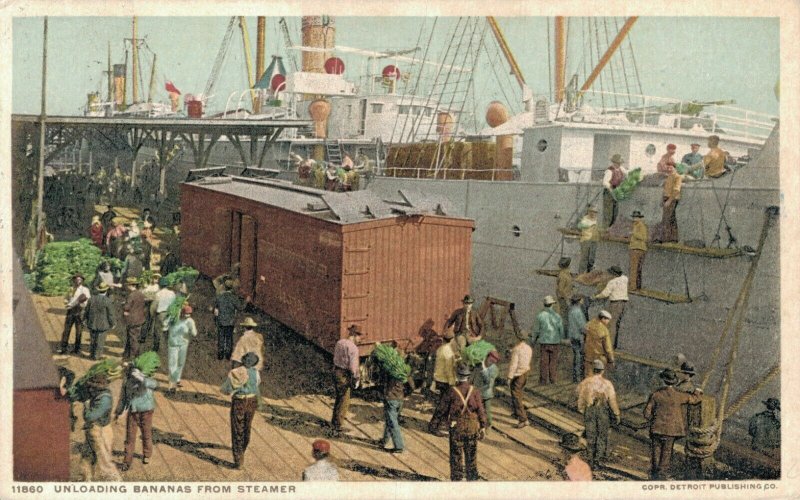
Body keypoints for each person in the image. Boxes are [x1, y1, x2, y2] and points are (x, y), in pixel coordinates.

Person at [429, 363, 488, 481]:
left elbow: (441, 409)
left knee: (456, 454)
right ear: (468, 376)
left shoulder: (451, 391)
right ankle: (472, 477)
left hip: (457, 427)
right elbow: (481, 410)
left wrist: (434, 424)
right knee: (471, 453)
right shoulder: (475, 391)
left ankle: (457, 478)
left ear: (457, 376)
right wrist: (483, 426)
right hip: (472, 426)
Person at [644, 368, 703, 480]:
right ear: (674, 381)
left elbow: (647, 413)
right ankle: (662, 475)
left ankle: (655, 475)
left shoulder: (656, 395)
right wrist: (698, 391)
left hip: (656, 429)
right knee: (667, 452)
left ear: (663, 380)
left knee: (656, 451)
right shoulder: (679, 395)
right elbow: (694, 399)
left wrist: (654, 418)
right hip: (671, 431)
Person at [114, 355, 159, 471]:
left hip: (146, 411)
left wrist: (142, 378)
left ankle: (147, 454)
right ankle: (127, 461)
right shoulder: (126, 382)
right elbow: (123, 398)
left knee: (146, 434)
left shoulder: (145, 379)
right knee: (130, 437)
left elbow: (154, 384)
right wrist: (118, 412)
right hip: (133, 412)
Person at [221, 352, 262, 469]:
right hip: (252, 401)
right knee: (247, 427)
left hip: (239, 402)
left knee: (237, 428)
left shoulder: (235, 372)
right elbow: (257, 384)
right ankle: (242, 450)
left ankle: (238, 459)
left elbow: (227, 389)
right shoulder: (256, 372)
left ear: (243, 360)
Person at [576, 359, 621, 468]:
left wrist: (582, 409)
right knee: (602, 435)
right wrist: (617, 414)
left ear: (593, 370)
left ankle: (590, 459)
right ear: (602, 371)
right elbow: (612, 401)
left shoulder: (586, 382)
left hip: (590, 410)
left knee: (591, 435)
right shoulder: (608, 384)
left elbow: (579, 395)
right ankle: (598, 459)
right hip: (602, 411)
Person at [81, 372, 122, 481]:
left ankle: (118, 484)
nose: (90, 389)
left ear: (99, 387)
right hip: (93, 429)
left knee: (105, 463)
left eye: (93, 387)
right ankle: (87, 481)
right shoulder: (101, 394)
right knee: (87, 458)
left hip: (99, 431)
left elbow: (89, 416)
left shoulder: (104, 400)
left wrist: (86, 405)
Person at [377, 344, 414, 454]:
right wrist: (405, 394)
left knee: (392, 422)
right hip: (400, 399)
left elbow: (382, 380)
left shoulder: (389, 369)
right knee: (391, 420)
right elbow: (412, 386)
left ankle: (399, 446)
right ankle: (384, 440)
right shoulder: (405, 370)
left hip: (391, 398)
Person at [330, 325, 363, 433]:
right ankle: (337, 425)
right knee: (345, 399)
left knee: (339, 396)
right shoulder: (353, 348)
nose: (360, 339)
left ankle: (334, 420)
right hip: (344, 374)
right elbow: (353, 368)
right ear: (354, 335)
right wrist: (356, 379)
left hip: (336, 371)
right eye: (359, 337)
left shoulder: (340, 342)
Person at [593, 266, 628, 350]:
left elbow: (605, 294)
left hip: (615, 303)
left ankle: (610, 345)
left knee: (612, 324)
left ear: (614, 274)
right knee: (616, 324)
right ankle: (613, 343)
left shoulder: (612, 282)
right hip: (623, 303)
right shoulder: (625, 278)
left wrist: (596, 296)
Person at [533, 295, 565, 385]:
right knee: (553, 362)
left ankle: (543, 381)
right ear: (552, 305)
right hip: (555, 342)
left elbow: (536, 330)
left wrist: (533, 340)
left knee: (544, 362)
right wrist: (561, 338)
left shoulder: (540, 316)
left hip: (544, 342)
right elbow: (561, 330)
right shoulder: (557, 316)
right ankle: (553, 380)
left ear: (544, 305)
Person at [167, 304, 198, 393]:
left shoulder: (190, 321)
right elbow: (166, 326)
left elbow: (194, 333)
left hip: (183, 344)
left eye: (189, 314)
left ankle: (177, 379)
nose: (187, 316)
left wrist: (190, 327)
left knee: (180, 363)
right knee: (172, 363)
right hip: (173, 343)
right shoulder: (173, 318)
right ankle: (171, 384)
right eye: (185, 314)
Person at [214, 279, 247, 360]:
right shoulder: (234, 298)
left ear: (224, 287)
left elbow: (216, 309)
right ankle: (228, 355)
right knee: (229, 339)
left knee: (221, 338)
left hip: (221, 321)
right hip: (230, 322)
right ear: (232, 288)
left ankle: (220, 355)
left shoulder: (219, 297)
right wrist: (246, 301)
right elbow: (241, 307)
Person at [59, 273, 90, 354]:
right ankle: (63, 347)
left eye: (79, 279)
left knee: (79, 331)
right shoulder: (70, 289)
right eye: (76, 279)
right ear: (73, 280)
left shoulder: (85, 290)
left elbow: (87, 300)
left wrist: (82, 304)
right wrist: (66, 302)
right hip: (70, 311)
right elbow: (66, 298)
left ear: (82, 281)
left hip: (79, 311)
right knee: (66, 330)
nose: (77, 281)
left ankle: (77, 349)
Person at [508, 329, 533, 428]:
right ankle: (516, 412)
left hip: (518, 375)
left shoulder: (516, 349)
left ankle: (523, 419)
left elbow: (513, 365)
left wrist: (509, 377)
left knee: (515, 395)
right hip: (525, 372)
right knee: (519, 393)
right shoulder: (528, 348)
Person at [85, 282, 115, 360]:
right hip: (103, 324)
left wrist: (85, 320)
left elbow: (86, 311)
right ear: (106, 290)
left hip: (92, 323)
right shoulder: (107, 301)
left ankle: (92, 354)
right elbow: (110, 314)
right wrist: (113, 323)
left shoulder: (91, 299)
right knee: (100, 341)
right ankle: (97, 356)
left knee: (93, 340)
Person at [472, 350, 500, 428]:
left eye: (493, 362)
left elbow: (488, 381)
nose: (491, 363)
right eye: (490, 360)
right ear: (487, 357)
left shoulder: (494, 369)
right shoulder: (480, 364)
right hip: (476, 391)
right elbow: (474, 375)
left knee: (487, 411)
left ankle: (488, 425)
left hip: (485, 393)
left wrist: (484, 370)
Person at [432, 326, 458, 409]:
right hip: (445, 381)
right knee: (445, 404)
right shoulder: (448, 351)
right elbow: (449, 369)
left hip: (438, 379)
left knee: (440, 403)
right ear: (452, 339)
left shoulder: (440, 349)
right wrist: (452, 382)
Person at [583, 310, 615, 378]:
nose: (608, 322)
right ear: (603, 319)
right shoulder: (604, 330)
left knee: (588, 378)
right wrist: (611, 360)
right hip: (600, 358)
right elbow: (608, 348)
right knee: (599, 379)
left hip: (588, 357)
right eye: (608, 320)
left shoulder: (589, 324)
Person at [122, 277, 147, 360]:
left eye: (127, 285)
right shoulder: (141, 294)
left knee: (133, 338)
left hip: (132, 320)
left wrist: (124, 305)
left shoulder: (131, 295)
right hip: (140, 319)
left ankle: (134, 356)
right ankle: (127, 354)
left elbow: (127, 307)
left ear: (130, 285)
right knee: (134, 337)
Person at [657, 163, 683, 243]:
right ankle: (672, 239)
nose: (669, 169)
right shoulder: (669, 177)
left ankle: (666, 239)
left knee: (667, 218)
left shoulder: (677, 177)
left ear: (675, 168)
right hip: (666, 198)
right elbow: (665, 190)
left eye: (671, 168)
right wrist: (662, 200)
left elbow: (676, 190)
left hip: (672, 199)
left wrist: (669, 201)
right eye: (668, 168)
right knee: (671, 218)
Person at [602, 154, 627, 228]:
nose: (619, 164)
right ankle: (606, 229)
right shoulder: (609, 170)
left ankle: (611, 229)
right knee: (608, 213)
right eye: (617, 163)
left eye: (620, 163)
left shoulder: (621, 169)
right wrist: (611, 190)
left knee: (615, 212)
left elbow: (627, 173)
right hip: (609, 192)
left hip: (616, 191)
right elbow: (605, 182)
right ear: (614, 162)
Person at [567, 295, 587, 383]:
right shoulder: (578, 311)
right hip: (579, 337)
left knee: (575, 356)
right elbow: (582, 326)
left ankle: (575, 377)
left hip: (572, 336)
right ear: (579, 301)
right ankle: (578, 377)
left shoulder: (571, 310)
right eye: (581, 300)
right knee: (579, 357)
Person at [153, 277, 176, 352]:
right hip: (169, 313)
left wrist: (153, 313)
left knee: (157, 331)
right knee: (167, 329)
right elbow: (174, 304)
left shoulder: (158, 294)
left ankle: (156, 348)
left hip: (160, 313)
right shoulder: (172, 293)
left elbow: (154, 305)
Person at [629, 211, 648, 291]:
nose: (634, 219)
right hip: (637, 248)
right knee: (637, 269)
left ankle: (633, 286)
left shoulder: (641, 226)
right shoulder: (636, 225)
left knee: (634, 268)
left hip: (637, 249)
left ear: (640, 218)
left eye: (636, 217)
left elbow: (643, 237)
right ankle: (637, 286)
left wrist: (634, 233)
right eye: (633, 217)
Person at [577, 207, 599, 273]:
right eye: (591, 211)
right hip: (586, 240)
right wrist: (590, 225)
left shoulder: (597, 219)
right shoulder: (585, 219)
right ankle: (581, 275)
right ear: (588, 211)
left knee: (591, 259)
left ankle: (589, 275)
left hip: (594, 240)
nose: (592, 213)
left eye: (595, 212)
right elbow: (579, 226)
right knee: (584, 258)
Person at [555, 257, 573, 323]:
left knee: (565, 314)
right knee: (564, 315)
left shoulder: (566, 273)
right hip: (563, 298)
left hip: (566, 296)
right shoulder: (563, 275)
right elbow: (560, 289)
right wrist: (566, 298)